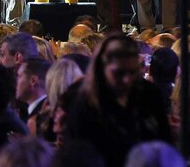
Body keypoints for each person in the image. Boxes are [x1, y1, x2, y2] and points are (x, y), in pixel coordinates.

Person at [65, 33, 171, 165]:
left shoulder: (149, 93)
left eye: (132, 72)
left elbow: (163, 139)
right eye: (119, 73)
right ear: (102, 68)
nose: (127, 80)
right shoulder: (83, 99)